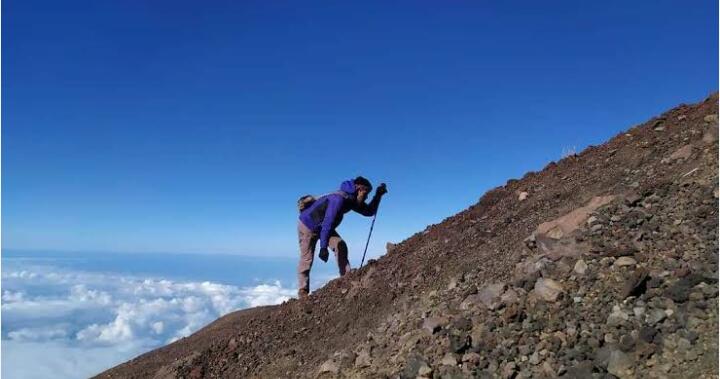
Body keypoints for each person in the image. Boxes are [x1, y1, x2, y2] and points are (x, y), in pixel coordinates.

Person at [296, 176, 387, 299]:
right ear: (359, 189)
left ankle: (347, 277)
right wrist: (323, 247)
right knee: (307, 258)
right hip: (307, 226)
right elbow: (328, 222)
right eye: (366, 193)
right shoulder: (338, 199)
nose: (366, 197)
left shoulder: (351, 200)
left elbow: (368, 212)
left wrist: (378, 195)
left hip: (323, 228)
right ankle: (303, 291)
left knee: (341, 245)